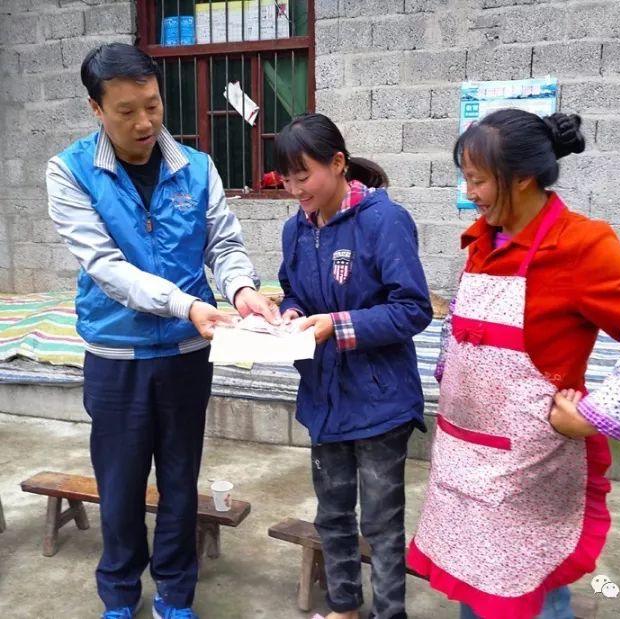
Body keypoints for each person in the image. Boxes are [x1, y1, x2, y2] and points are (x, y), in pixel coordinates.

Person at [407, 109, 620, 619]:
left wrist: (595, 413)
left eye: (477, 179)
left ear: (522, 177)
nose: (469, 192)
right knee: (479, 588)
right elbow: (462, 325)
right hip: (463, 455)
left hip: (528, 469)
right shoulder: (482, 240)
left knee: (527, 593)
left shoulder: (581, 245)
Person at [46, 43, 279, 619]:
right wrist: (186, 304)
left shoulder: (195, 168)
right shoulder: (70, 170)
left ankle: (176, 593)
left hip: (184, 355)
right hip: (116, 353)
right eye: (126, 111)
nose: (144, 122)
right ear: (96, 109)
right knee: (120, 487)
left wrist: (242, 289)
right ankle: (120, 596)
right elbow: (106, 267)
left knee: (179, 483)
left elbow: (223, 243)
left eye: (152, 105)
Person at [275, 113, 433, 619]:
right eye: (287, 177)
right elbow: (294, 288)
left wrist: (335, 326)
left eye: (305, 175)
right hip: (325, 398)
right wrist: (292, 313)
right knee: (333, 513)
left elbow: (413, 307)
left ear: (338, 163)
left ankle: (391, 614)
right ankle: (344, 606)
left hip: (380, 400)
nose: (296, 188)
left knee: (383, 524)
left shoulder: (383, 221)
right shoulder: (295, 231)